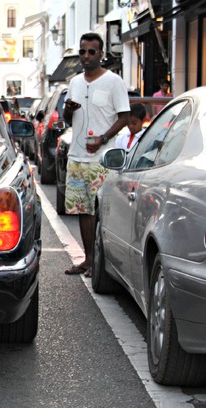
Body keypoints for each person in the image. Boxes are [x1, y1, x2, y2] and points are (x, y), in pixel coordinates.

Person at [62, 33, 131, 277]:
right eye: (82, 51)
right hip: (77, 156)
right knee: (82, 210)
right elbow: (66, 119)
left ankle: (103, 262)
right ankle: (88, 260)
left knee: (102, 211)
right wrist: (67, 110)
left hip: (102, 159)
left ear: (101, 54)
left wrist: (103, 138)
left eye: (92, 52)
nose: (86, 56)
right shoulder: (75, 83)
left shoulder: (114, 82)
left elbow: (124, 116)